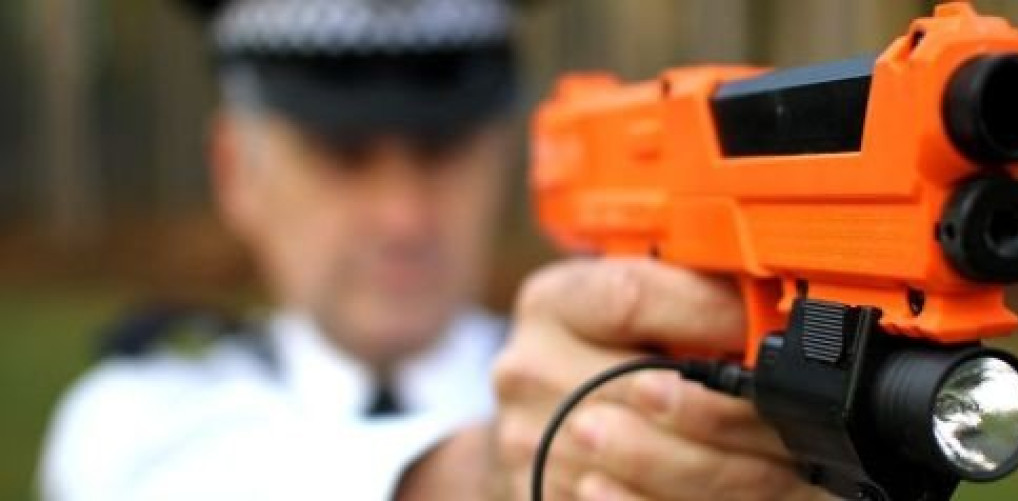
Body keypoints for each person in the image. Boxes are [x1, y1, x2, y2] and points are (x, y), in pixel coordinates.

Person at [40, 0, 833, 500]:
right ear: (235, 174)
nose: (403, 215)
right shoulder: (135, 412)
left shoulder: (625, 383)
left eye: (442, 150)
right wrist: (484, 472)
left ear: (503, 155)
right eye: (343, 156)